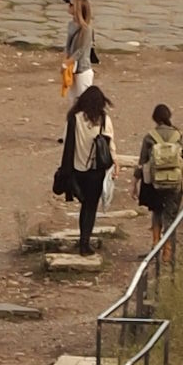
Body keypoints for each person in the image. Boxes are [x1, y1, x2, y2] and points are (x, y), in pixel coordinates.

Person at [56, 79, 117, 251]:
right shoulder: (104, 120)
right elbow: (109, 145)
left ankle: (83, 240)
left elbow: (68, 144)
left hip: (76, 170)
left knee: (84, 204)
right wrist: (116, 164)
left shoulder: (73, 119)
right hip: (96, 171)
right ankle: (85, 241)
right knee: (90, 207)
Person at [137, 98, 183, 237]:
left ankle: (155, 244)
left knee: (157, 211)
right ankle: (168, 251)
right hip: (175, 181)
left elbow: (142, 161)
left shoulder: (149, 137)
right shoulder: (178, 135)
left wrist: (135, 182)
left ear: (155, 118)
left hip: (155, 181)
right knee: (171, 214)